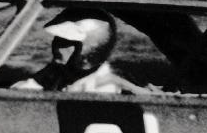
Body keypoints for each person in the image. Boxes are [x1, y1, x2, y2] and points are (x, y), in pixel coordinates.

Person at [12, 8, 143, 93]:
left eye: (66, 43)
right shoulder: (60, 71)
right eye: (57, 39)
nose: (56, 47)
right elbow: (30, 86)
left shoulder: (106, 87)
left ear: (90, 49)